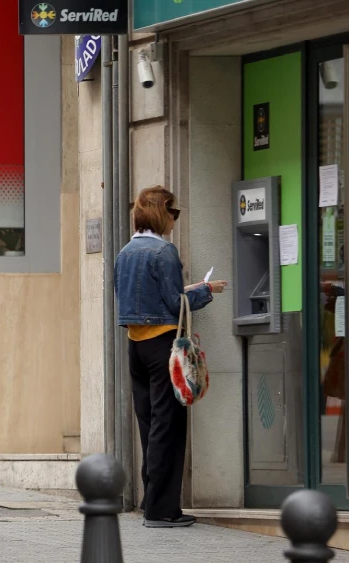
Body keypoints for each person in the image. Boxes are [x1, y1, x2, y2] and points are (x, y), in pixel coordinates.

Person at [114, 185, 228, 528]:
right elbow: (174, 304)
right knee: (169, 425)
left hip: (136, 345)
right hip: (164, 344)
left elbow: (139, 297)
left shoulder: (125, 252)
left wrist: (185, 291)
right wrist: (207, 291)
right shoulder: (164, 252)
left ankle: (153, 500)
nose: (176, 220)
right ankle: (161, 510)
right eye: (173, 213)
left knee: (150, 425)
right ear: (161, 213)